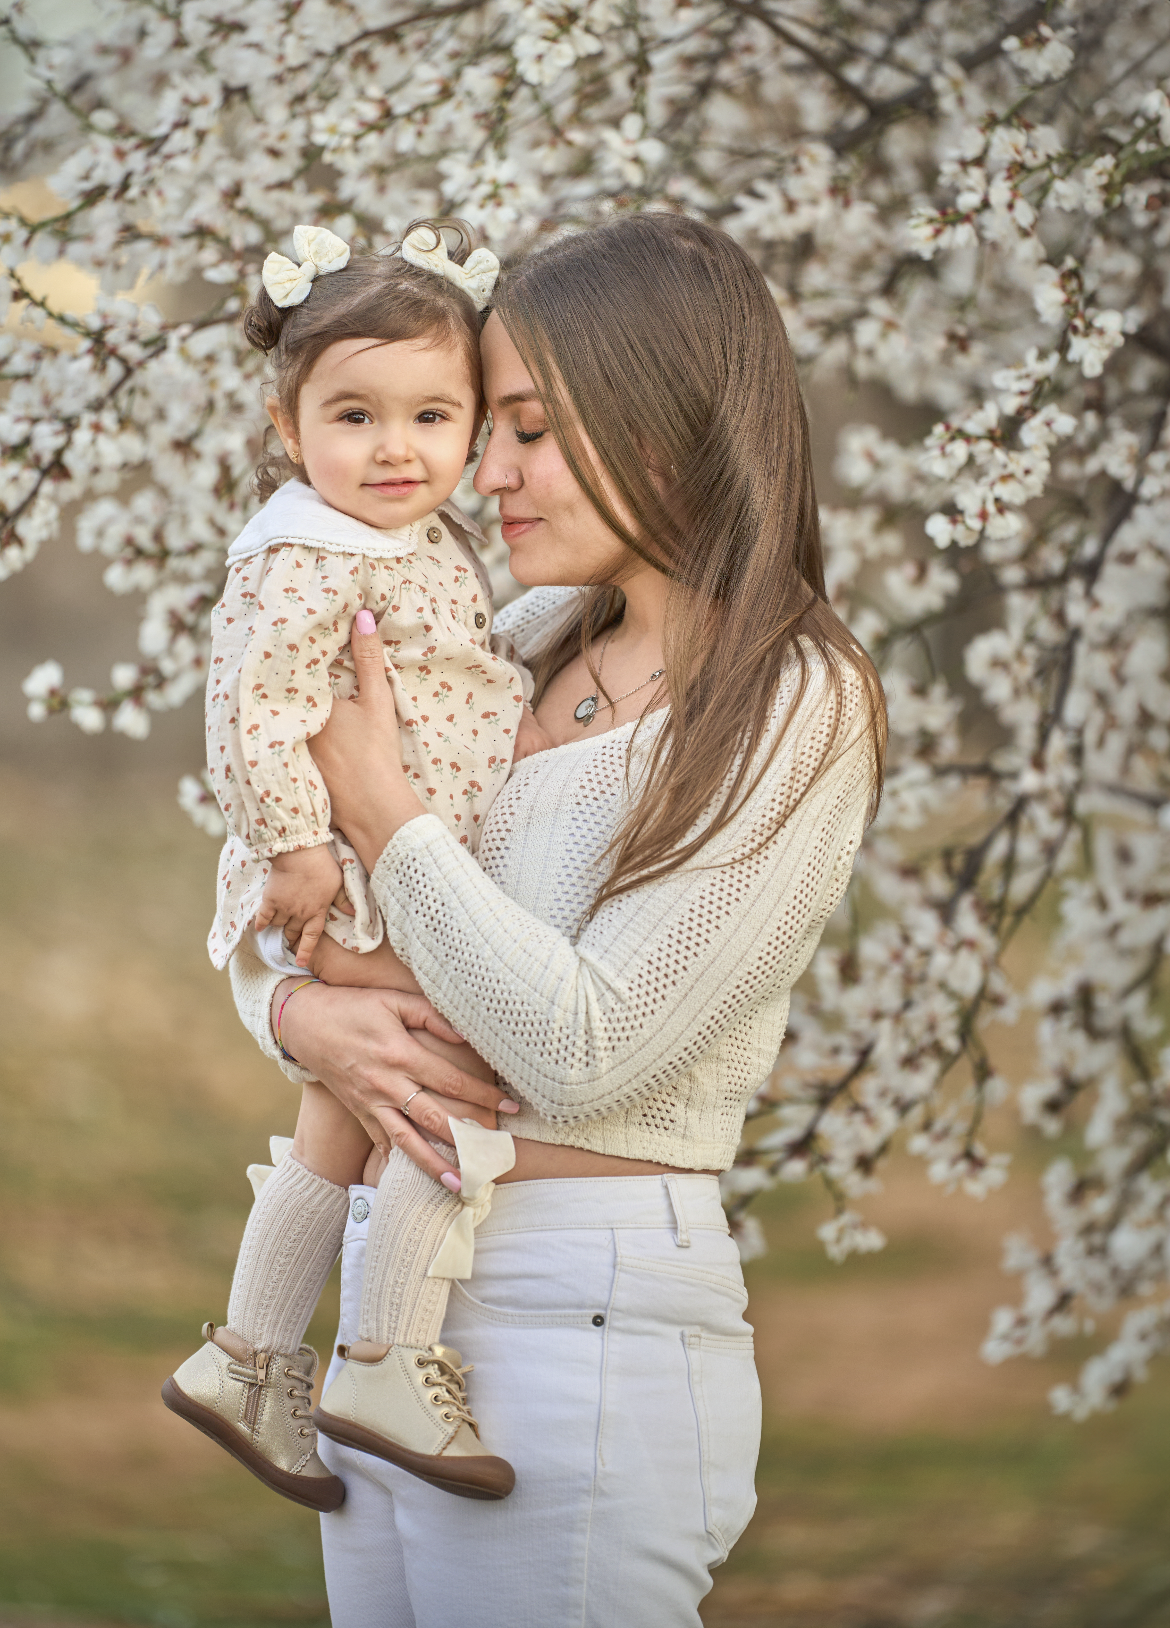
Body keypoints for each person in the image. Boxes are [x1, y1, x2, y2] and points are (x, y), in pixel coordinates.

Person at [227, 211, 889, 1627]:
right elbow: (279, 880)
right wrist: (296, 1014)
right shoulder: (518, 641)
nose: (489, 472)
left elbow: (591, 1045)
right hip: (386, 1302)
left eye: (529, 429)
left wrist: (394, 818)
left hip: (582, 1312)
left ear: (662, 418)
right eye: (495, 428)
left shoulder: (792, 700)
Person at [162, 219, 551, 1512]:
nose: (398, 449)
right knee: (451, 1086)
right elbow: (254, 706)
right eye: (356, 416)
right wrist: (295, 853)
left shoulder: (405, 542)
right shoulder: (303, 555)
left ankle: (248, 1355)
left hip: (381, 862)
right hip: (349, 871)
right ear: (289, 425)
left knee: (338, 1121)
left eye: (434, 416)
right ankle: (386, 1355)